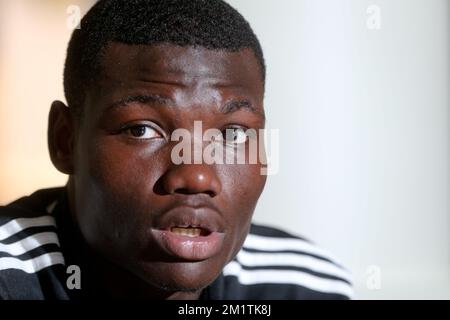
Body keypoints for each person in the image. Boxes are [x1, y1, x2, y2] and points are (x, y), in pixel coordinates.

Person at [0, 0, 352, 300]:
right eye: (141, 129)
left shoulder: (299, 286)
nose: (197, 175)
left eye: (232, 133)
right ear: (65, 140)